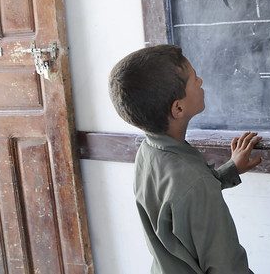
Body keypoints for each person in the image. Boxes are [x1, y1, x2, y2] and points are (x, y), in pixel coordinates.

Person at [108, 44, 261, 274]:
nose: (200, 81)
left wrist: (230, 170)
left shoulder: (148, 153)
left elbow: (180, 207)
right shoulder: (194, 181)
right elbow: (226, 267)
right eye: (194, 79)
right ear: (178, 108)